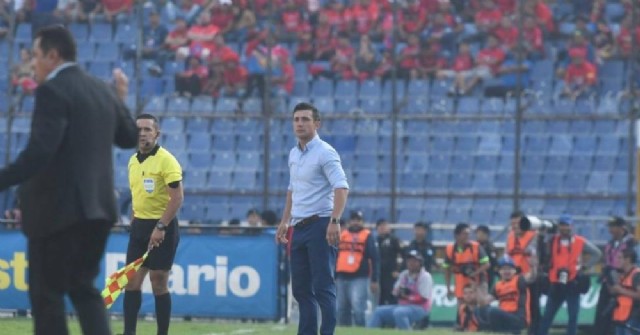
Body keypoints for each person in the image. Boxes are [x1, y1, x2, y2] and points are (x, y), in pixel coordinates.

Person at [0, 25, 137, 335]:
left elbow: (40, 152)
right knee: (83, 287)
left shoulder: (51, 91)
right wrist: (121, 100)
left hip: (58, 214)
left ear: (53, 55)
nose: (32, 63)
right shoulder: (102, 89)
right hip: (99, 212)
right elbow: (130, 137)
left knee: (46, 295)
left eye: (35, 55)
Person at [275, 102, 349, 335]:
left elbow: (341, 187)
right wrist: (285, 221)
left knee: (323, 288)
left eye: (305, 119)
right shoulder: (294, 153)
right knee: (301, 290)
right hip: (299, 227)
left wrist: (334, 221)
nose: (299, 123)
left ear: (317, 124)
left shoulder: (325, 152)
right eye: (296, 119)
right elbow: (292, 189)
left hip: (320, 224)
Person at [122, 114, 184, 335]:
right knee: (131, 283)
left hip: (162, 228)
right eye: (139, 129)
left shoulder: (167, 160)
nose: (142, 133)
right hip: (139, 227)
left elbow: (177, 198)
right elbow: (136, 194)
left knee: (158, 282)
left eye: (147, 129)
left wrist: (161, 227)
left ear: (156, 134)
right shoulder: (132, 161)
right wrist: (134, 217)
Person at [538, 215, 603, 335]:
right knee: (547, 316)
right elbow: (542, 253)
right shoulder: (552, 240)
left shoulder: (579, 241)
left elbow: (597, 254)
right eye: (562, 225)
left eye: (566, 225)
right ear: (558, 226)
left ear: (571, 226)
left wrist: (583, 267)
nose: (564, 228)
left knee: (573, 317)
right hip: (555, 282)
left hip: (572, 282)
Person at [367, 250, 433, 330]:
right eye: (409, 261)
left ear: (420, 263)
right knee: (379, 311)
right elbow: (395, 291)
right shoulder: (404, 274)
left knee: (399, 312)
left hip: (420, 308)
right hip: (402, 306)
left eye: (414, 261)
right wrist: (399, 292)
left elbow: (424, 297)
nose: (411, 263)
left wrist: (408, 297)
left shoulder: (425, 276)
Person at [594, 216, 637, 335]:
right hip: (608, 284)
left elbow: (633, 265)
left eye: (613, 227)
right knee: (602, 318)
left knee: (621, 320)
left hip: (623, 286)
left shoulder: (632, 244)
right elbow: (606, 260)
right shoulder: (610, 243)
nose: (610, 230)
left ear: (621, 228)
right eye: (610, 227)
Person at [336, 210, 379, 327]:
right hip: (341, 276)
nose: (355, 222)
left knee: (358, 307)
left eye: (358, 220)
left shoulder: (367, 235)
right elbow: (336, 255)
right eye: (353, 220)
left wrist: (374, 279)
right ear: (349, 222)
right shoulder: (343, 234)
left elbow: (374, 258)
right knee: (341, 308)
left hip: (359, 277)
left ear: (362, 222)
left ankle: (360, 330)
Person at [476, 256, 537, 334]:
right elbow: (483, 303)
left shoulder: (519, 280)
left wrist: (533, 266)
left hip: (518, 318)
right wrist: (477, 287)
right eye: (504, 269)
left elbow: (531, 277)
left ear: (514, 271)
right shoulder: (498, 286)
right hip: (504, 316)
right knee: (480, 310)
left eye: (509, 269)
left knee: (493, 312)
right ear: (499, 271)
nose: (506, 271)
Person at [507, 211, 541, 335]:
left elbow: (536, 256)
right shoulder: (510, 236)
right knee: (515, 306)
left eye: (518, 223)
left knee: (533, 307)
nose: (515, 226)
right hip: (515, 278)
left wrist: (532, 273)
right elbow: (508, 255)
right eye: (513, 223)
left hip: (530, 277)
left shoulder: (533, 235)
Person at [443, 223, 490, 301]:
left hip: (478, 282)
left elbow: (487, 264)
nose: (468, 236)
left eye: (468, 234)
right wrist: (448, 287)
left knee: (480, 306)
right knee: (462, 309)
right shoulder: (450, 249)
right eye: (464, 234)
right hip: (460, 283)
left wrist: (475, 273)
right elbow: (446, 269)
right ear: (456, 235)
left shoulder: (476, 246)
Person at [611, 249, 640, 335]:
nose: (617, 260)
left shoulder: (637, 274)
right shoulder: (622, 274)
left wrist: (621, 290)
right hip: (621, 316)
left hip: (633, 316)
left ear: (628, 259)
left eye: (620, 258)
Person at [376, 219, 403, 305]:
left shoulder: (394, 240)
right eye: (380, 226)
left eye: (384, 225)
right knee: (379, 300)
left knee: (392, 298)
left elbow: (404, 255)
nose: (382, 228)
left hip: (391, 274)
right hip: (377, 275)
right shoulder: (374, 241)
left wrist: (398, 270)